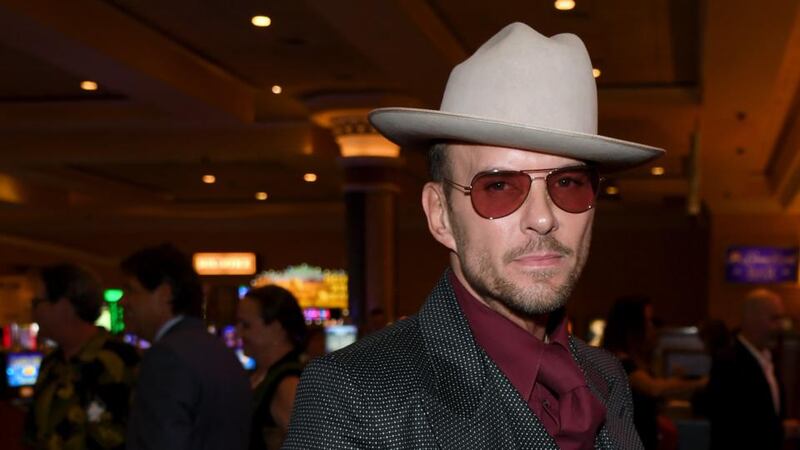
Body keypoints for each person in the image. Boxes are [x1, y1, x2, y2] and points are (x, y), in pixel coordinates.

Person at [284, 22, 664, 449]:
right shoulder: (356, 396)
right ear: (440, 215)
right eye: (498, 187)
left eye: (568, 183)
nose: (542, 219)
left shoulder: (605, 376)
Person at [120, 243, 251, 450]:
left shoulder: (167, 356)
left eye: (132, 291)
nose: (124, 302)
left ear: (165, 293)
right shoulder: (220, 351)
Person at [23, 263, 139, 450]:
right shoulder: (51, 364)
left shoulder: (118, 361)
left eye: (37, 303)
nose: (32, 312)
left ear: (64, 306)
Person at [602, 296, 706, 450]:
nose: (651, 327)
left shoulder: (632, 359)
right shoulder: (617, 361)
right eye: (647, 321)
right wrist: (699, 382)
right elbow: (653, 388)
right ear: (632, 326)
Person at [707, 288, 800, 450]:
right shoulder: (729, 362)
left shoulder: (768, 359)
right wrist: (781, 430)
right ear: (750, 318)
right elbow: (732, 426)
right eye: (774, 319)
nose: (780, 327)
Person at [236, 285, 307, 450]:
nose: (238, 333)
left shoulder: (288, 384)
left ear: (276, 327)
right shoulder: (263, 375)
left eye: (246, 325)